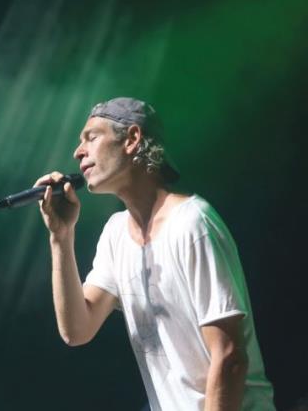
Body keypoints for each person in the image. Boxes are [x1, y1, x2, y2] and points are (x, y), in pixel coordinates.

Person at [35, 97, 275, 410]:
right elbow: (77, 330)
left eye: (91, 138)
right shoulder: (116, 233)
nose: (78, 152)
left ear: (132, 139)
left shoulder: (192, 223)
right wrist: (60, 237)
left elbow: (229, 356)